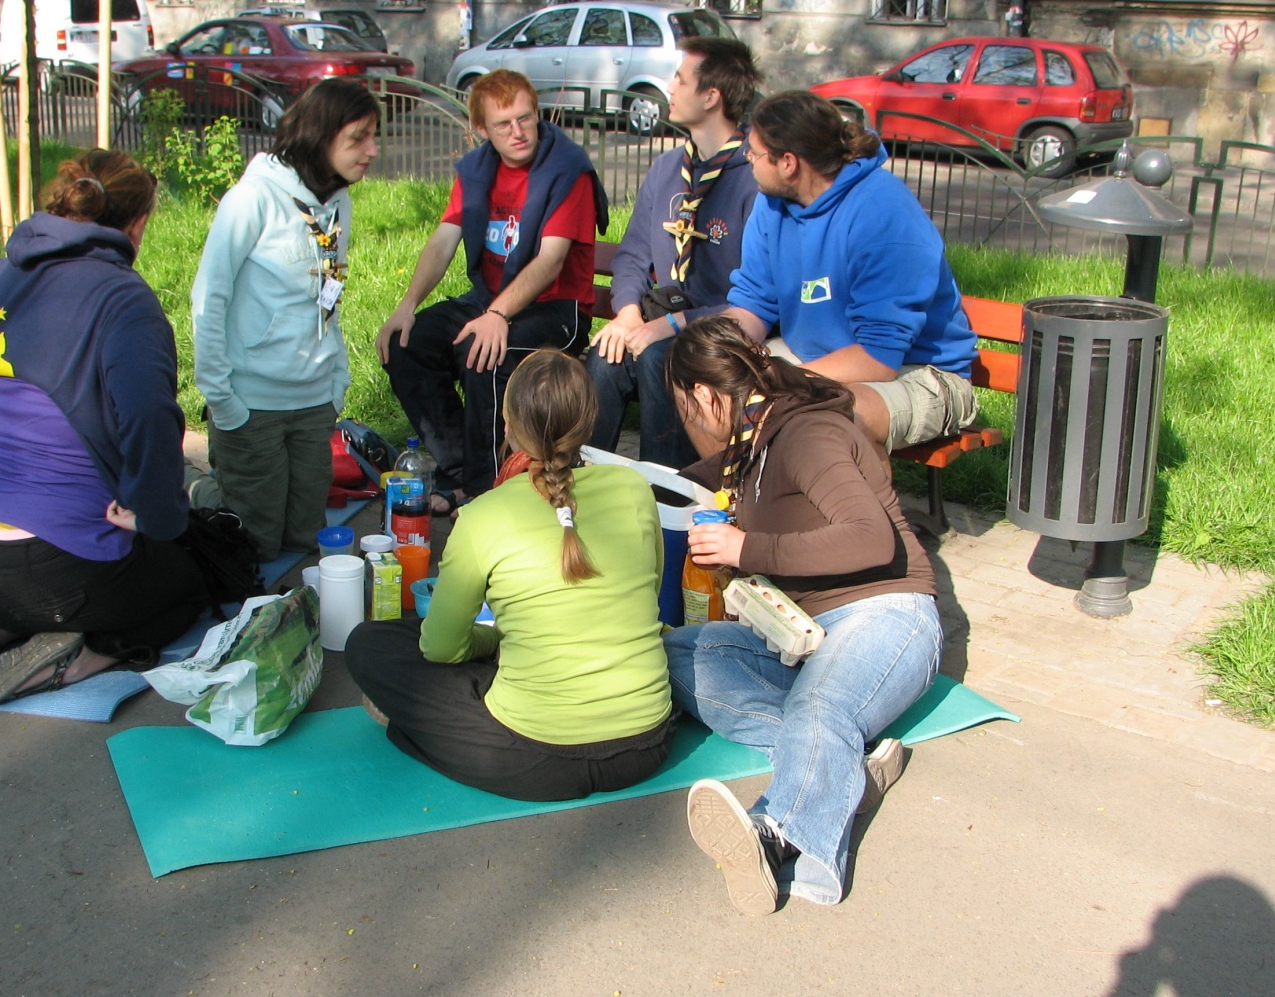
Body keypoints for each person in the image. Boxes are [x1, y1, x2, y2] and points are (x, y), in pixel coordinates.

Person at [0, 150, 210, 708]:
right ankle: (81, 654)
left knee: (30, 579)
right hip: (62, 572)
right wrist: (155, 515)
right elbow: (150, 419)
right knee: (184, 587)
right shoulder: (125, 300)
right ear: (139, 223)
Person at [661, 315, 943, 913]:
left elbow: (872, 540)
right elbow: (676, 486)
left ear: (705, 396)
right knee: (672, 654)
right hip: (799, 633)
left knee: (821, 706)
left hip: (883, 612)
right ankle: (841, 770)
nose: (682, 423)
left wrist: (747, 549)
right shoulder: (749, 444)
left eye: (681, 406)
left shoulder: (805, 433)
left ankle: (778, 837)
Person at [344, 349, 675, 802]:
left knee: (370, 644)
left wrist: (495, 640)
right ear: (591, 419)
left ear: (508, 425)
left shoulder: (481, 516)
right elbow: (647, 594)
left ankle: (423, 728)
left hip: (537, 761)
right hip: (649, 744)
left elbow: (440, 648)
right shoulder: (635, 488)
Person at [376, 69, 608, 515]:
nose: (519, 132)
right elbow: (445, 238)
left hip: (558, 311)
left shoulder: (567, 170)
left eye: (526, 118)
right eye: (504, 124)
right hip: (489, 299)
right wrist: (406, 307)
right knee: (410, 343)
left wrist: (497, 316)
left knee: (482, 352)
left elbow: (550, 260)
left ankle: (487, 493)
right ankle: (460, 470)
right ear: (480, 130)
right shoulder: (477, 171)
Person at [723, 90, 979, 453]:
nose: (746, 158)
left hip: (919, 372)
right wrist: (719, 349)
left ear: (788, 163)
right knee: (711, 390)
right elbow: (754, 302)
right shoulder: (772, 203)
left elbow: (878, 358)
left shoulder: (883, 214)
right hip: (815, 361)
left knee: (822, 416)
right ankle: (730, 502)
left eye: (755, 152)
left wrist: (780, 379)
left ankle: (857, 512)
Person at [190, 78, 381, 560]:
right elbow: (208, 297)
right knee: (254, 546)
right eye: (358, 138)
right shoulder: (253, 199)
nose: (372, 150)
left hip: (315, 402)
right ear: (320, 136)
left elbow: (328, 297)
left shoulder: (339, 203)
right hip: (251, 405)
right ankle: (202, 496)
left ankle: (228, 497)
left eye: (375, 136)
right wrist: (222, 398)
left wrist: (337, 380)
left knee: (303, 540)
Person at [588, 37, 761, 468]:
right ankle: (580, 492)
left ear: (711, 96)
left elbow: (755, 298)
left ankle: (667, 500)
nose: (669, 87)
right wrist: (627, 312)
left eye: (680, 79)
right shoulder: (669, 169)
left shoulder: (754, 178)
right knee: (605, 358)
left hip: (721, 334)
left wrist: (668, 327)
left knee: (659, 359)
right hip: (661, 321)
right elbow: (631, 256)